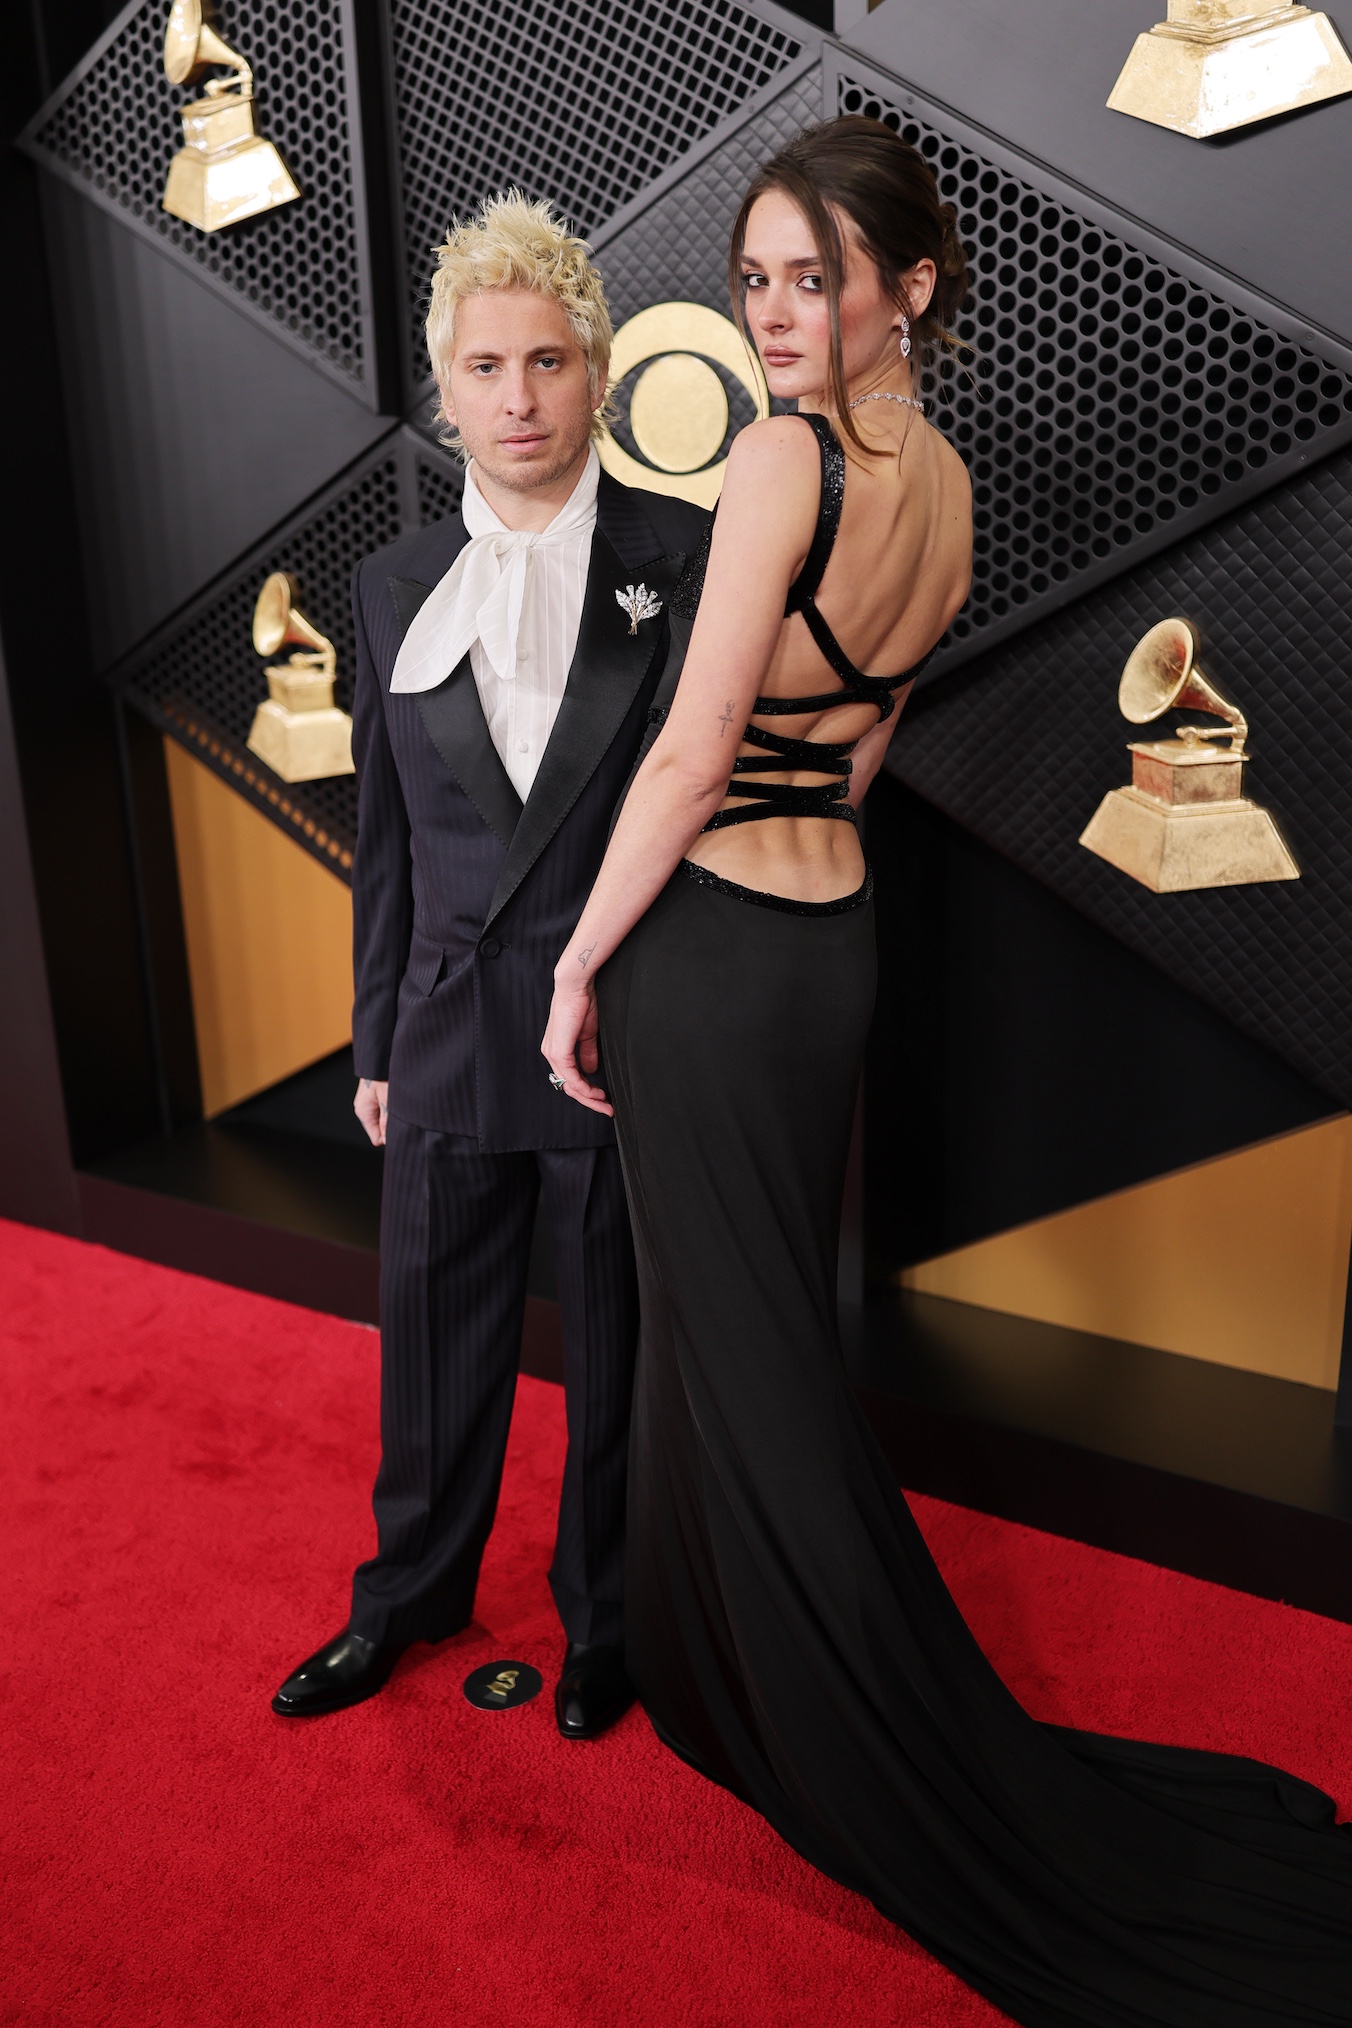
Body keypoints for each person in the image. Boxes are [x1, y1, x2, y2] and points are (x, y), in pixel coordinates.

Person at [542, 118, 1352, 2025]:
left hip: (718, 962)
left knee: (740, 1363)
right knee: (723, 1337)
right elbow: (863, 742)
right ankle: (703, 1655)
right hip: (831, 947)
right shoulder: (954, 482)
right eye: (753, 281)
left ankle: (872, 1748)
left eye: (810, 277)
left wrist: (577, 964)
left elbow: (686, 757)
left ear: (909, 286)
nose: (771, 317)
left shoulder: (773, 464)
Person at [273, 194, 706, 1736]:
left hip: (610, 1035)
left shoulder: (688, 557)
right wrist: (374, 1038)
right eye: (482, 368)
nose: (514, 400)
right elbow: (383, 837)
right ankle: (403, 1603)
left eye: (544, 362)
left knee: (613, 1359)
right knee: (431, 1348)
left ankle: (607, 1627)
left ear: (595, 372)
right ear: (442, 388)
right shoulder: (395, 583)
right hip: (448, 1031)